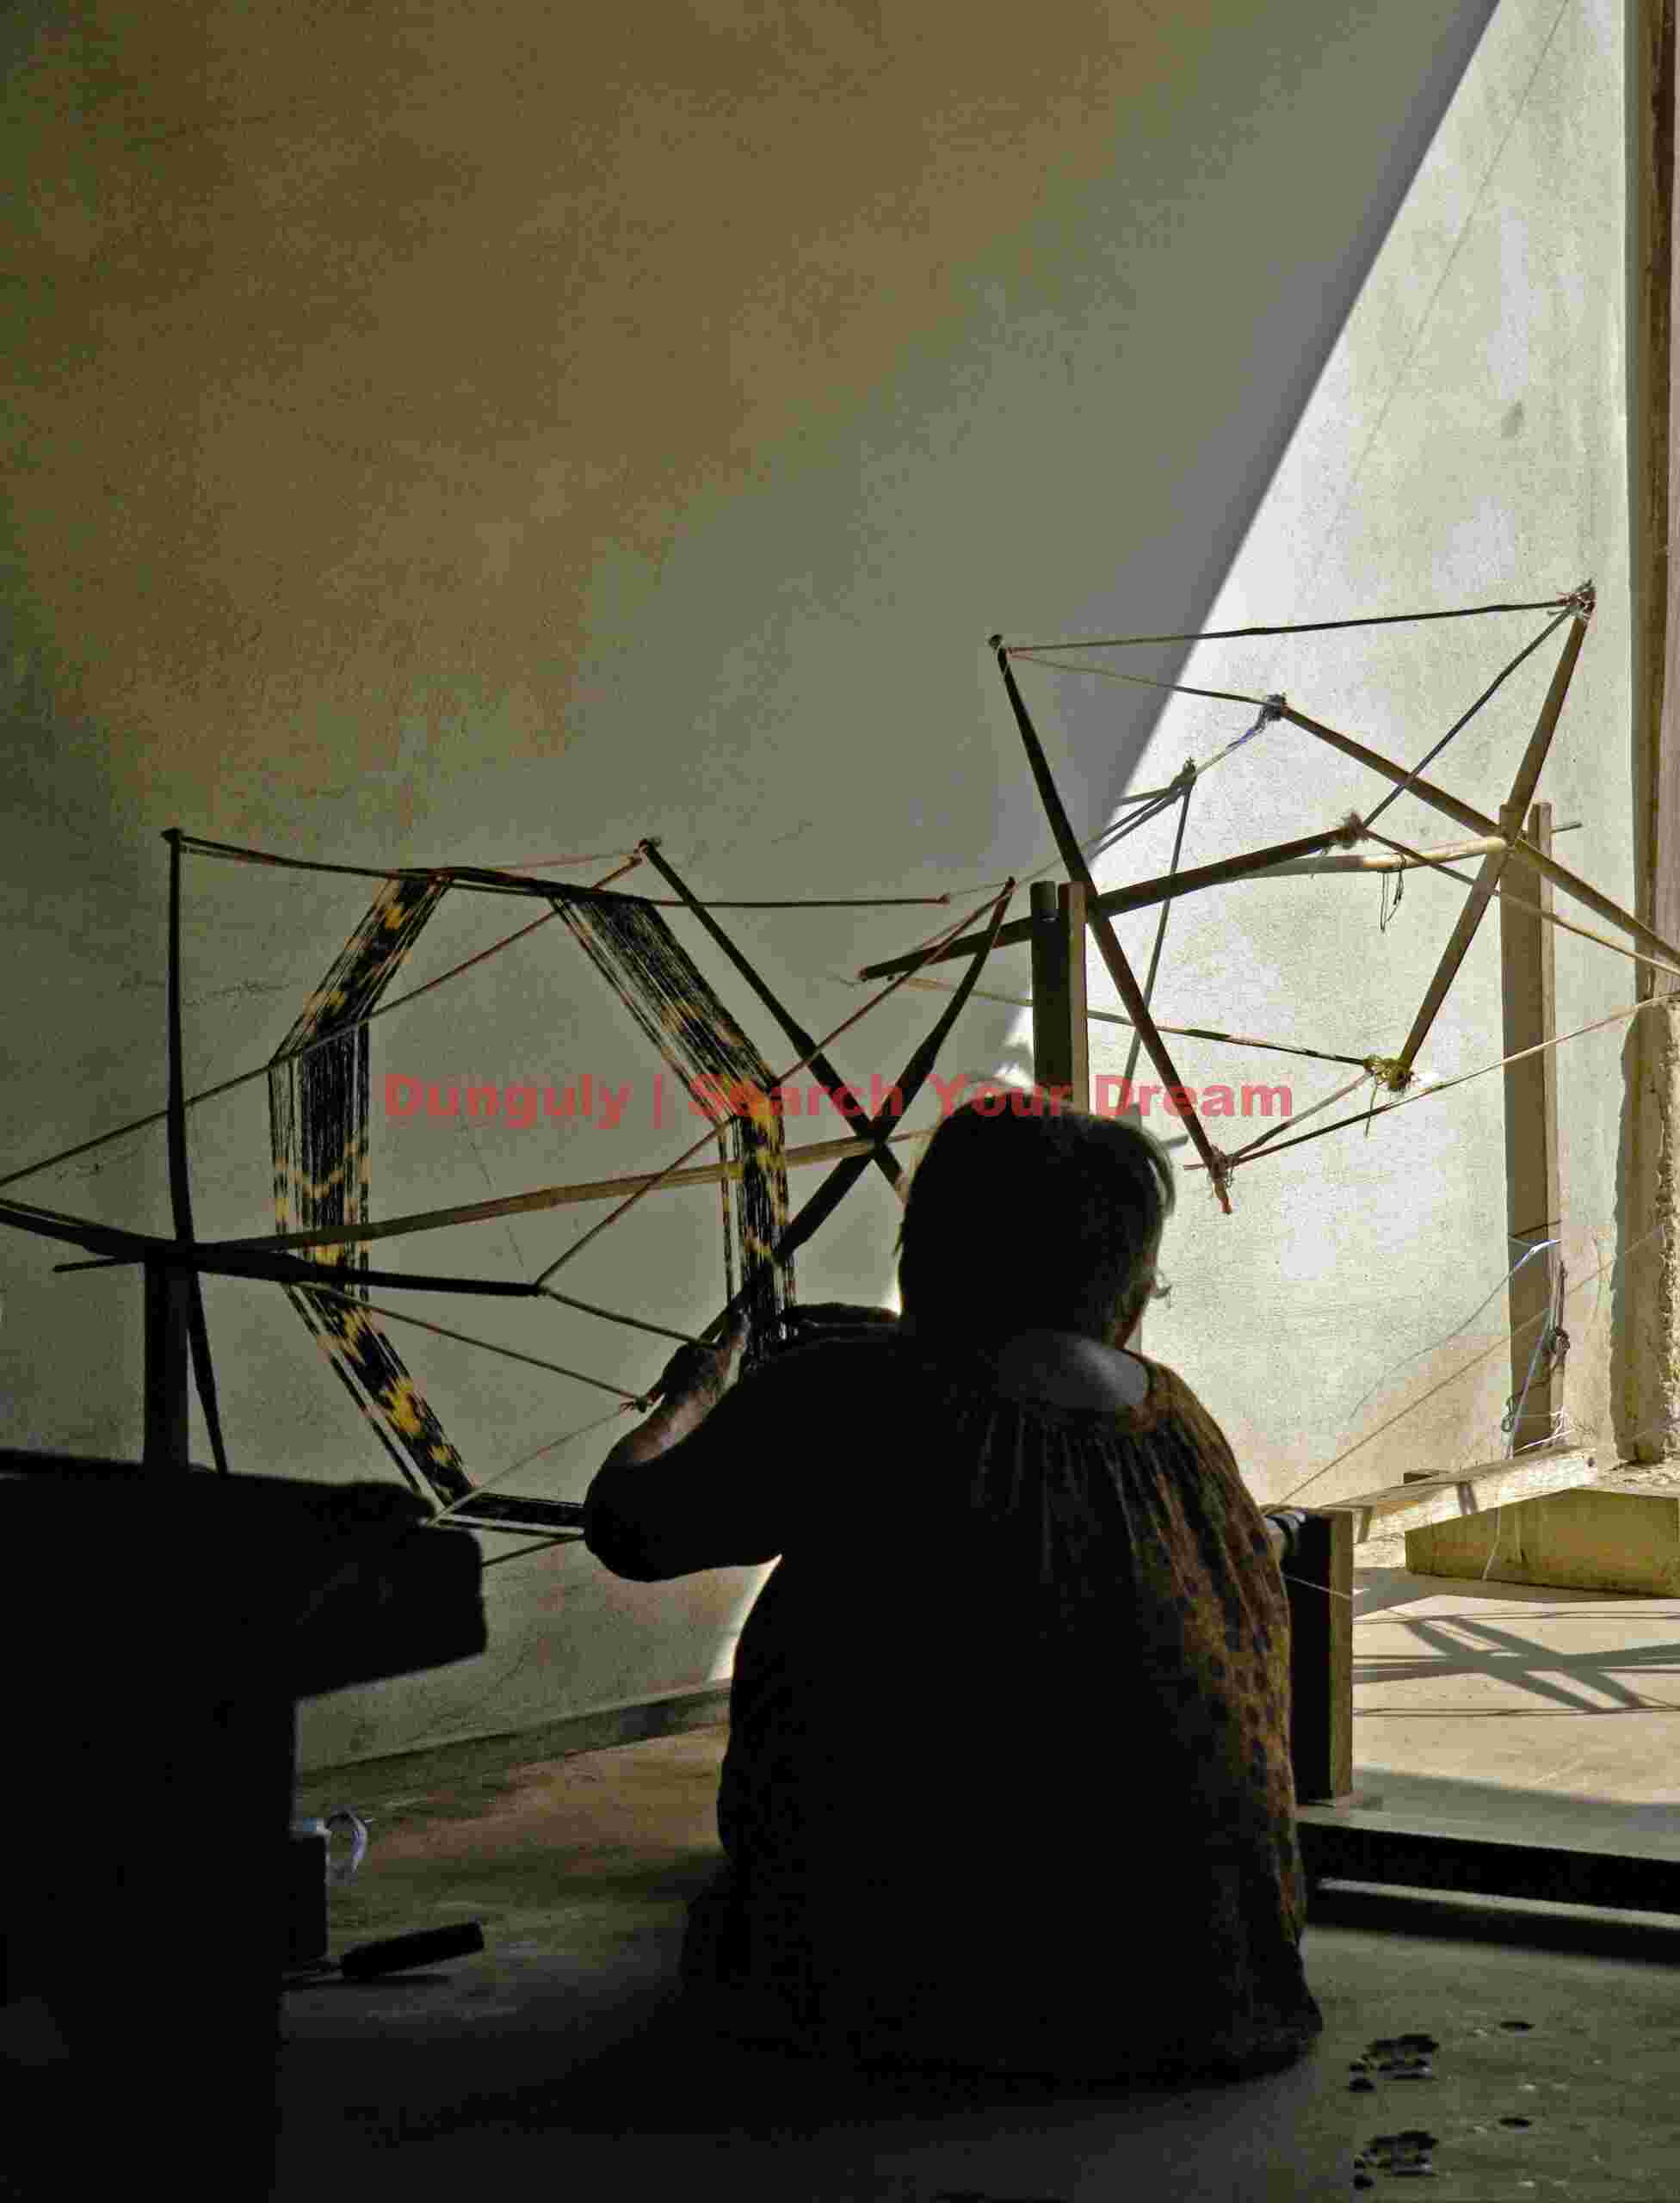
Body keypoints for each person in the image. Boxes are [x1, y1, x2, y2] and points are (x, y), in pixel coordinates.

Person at [583, 1097, 1324, 2083]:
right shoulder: (1172, 1414)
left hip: (907, 2008)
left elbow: (627, 1528)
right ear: (1127, 1280)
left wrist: (692, 1398)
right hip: (1210, 1991)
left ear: (925, 1249)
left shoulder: (853, 1394)